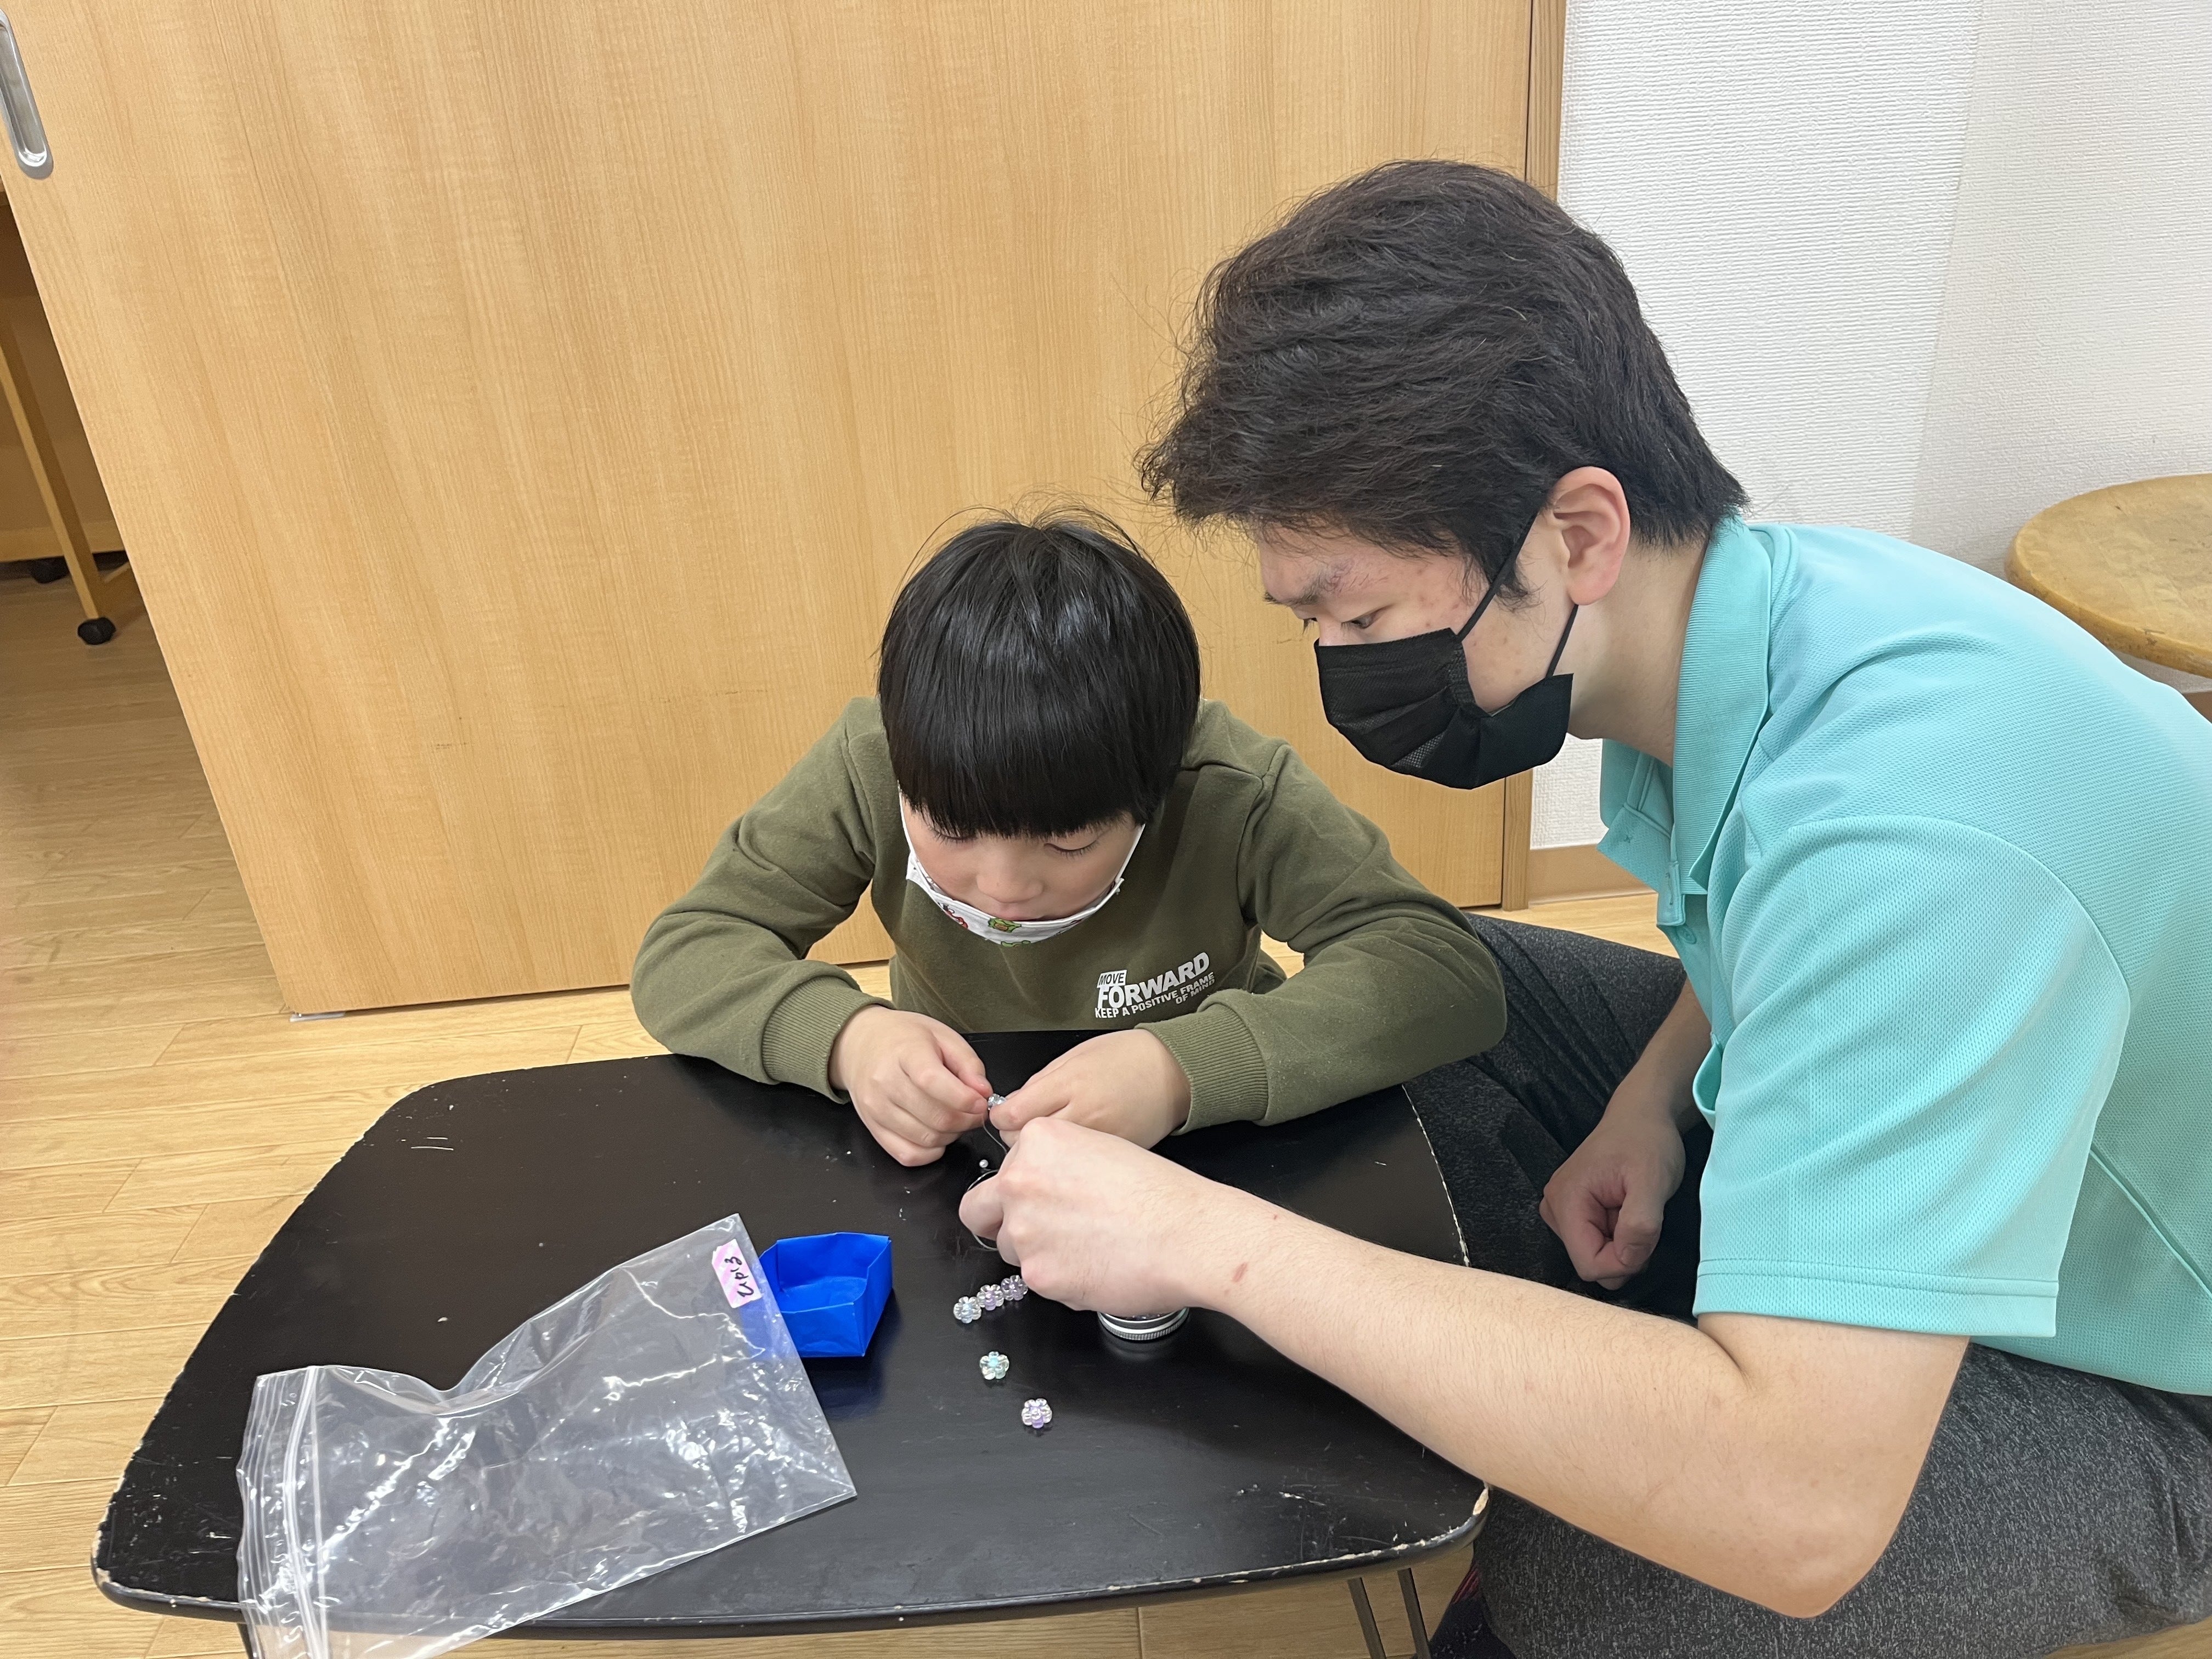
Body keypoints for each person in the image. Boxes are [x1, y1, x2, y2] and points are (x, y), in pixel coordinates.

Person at [961, 162, 2212, 1657]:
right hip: (1997, 1163)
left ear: (1578, 534)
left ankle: (1658, 1399)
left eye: (1361, 615)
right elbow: (1770, 925)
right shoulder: (1773, 620)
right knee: (1435, 999)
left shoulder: (1911, 844)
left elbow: (1803, 1515)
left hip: (2152, 1377)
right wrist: (1649, 1104)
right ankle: (1623, 1367)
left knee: (1599, 1564)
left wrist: (1211, 1246)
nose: (1341, 662)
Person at [632, 511, 1502, 1166]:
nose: (1004, 887)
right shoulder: (874, 765)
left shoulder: (1228, 787)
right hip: (961, 1133)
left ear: (1156, 787)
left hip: (1209, 1136)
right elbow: (690, 951)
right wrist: (849, 1039)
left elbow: (1437, 969)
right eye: (953, 830)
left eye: (1071, 841)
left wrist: (1183, 1068)